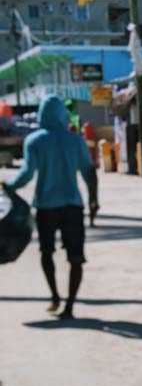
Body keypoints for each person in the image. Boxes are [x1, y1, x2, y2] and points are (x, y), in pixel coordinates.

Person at [2, 94, 97, 319]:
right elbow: (89, 172)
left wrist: (8, 185)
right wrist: (94, 199)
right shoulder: (75, 140)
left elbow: (26, 174)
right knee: (76, 257)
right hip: (73, 206)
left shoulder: (35, 141)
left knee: (46, 252)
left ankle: (55, 296)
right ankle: (70, 306)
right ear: (63, 115)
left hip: (46, 207)